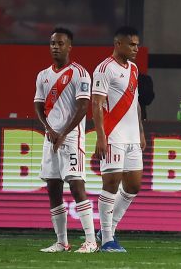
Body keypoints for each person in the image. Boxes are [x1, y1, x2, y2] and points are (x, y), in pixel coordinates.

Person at [34, 27, 97, 253]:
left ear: (69, 46)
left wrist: (63, 133)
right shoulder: (43, 75)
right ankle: (62, 242)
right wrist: (49, 129)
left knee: (77, 185)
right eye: (52, 43)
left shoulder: (80, 73)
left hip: (71, 139)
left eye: (60, 43)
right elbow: (38, 106)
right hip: (50, 138)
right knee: (52, 187)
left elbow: (83, 108)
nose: (56, 47)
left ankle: (90, 241)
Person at [91, 25, 146, 252]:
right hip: (113, 135)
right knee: (111, 184)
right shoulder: (104, 69)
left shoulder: (133, 68)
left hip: (133, 137)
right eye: (131, 44)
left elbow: (136, 103)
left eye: (137, 44)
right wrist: (101, 137)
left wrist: (141, 131)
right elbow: (96, 103)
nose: (136, 48)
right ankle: (106, 240)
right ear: (118, 44)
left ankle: (107, 230)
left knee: (133, 186)